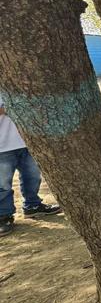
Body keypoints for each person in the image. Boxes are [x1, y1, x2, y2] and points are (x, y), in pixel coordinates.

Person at [0, 96, 62, 236]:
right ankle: (3, 216)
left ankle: (33, 205)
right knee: (2, 184)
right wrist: (15, 107)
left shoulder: (20, 79)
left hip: (27, 141)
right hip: (2, 146)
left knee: (33, 176)